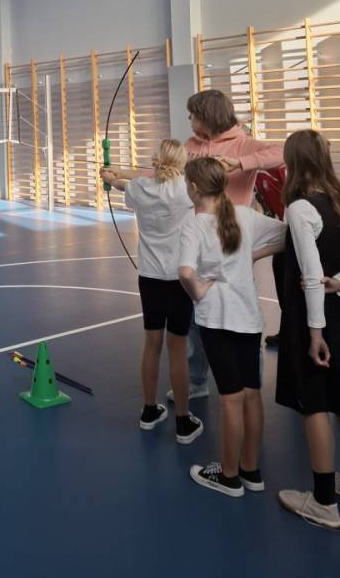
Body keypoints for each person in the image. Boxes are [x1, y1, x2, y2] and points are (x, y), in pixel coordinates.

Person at [178, 157, 286, 497]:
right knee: (251, 394)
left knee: (230, 398)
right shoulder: (245, 215)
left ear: (194, 188)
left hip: (216, 320)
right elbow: (288, 234)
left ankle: (228, 476)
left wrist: (197, 292)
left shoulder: (194, 225)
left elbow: (185, 272)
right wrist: (254, 253)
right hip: (248, 318)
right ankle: (250, 470)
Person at [181, 90, 285, 398]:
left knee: (244, 313)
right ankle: (197, 381)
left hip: (232, 244)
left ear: (208, 116)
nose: (190, 119)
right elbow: (166, 171)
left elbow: (284, 151)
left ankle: (250, 384)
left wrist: (241, 162)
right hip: (201, 243)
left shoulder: (243, 143)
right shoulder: (191, 145)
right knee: (195, 320)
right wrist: (124, 177)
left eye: (193, 114)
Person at [102, 140, 203, 443]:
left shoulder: (140, 188)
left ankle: (149, 411)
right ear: (181, 163)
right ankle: (183, 421)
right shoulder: (186, 189)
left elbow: (122, 183)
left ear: (156, 160)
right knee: (177, 348)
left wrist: (111, 176)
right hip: (179, 279)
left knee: (152, 344)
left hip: (149, 278)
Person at [275, 130, 340, 529]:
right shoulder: (337, 199)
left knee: (315, 403)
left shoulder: (300, 208)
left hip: (315, 316)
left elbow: (312, 275)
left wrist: (316, 333)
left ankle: (323, 502)